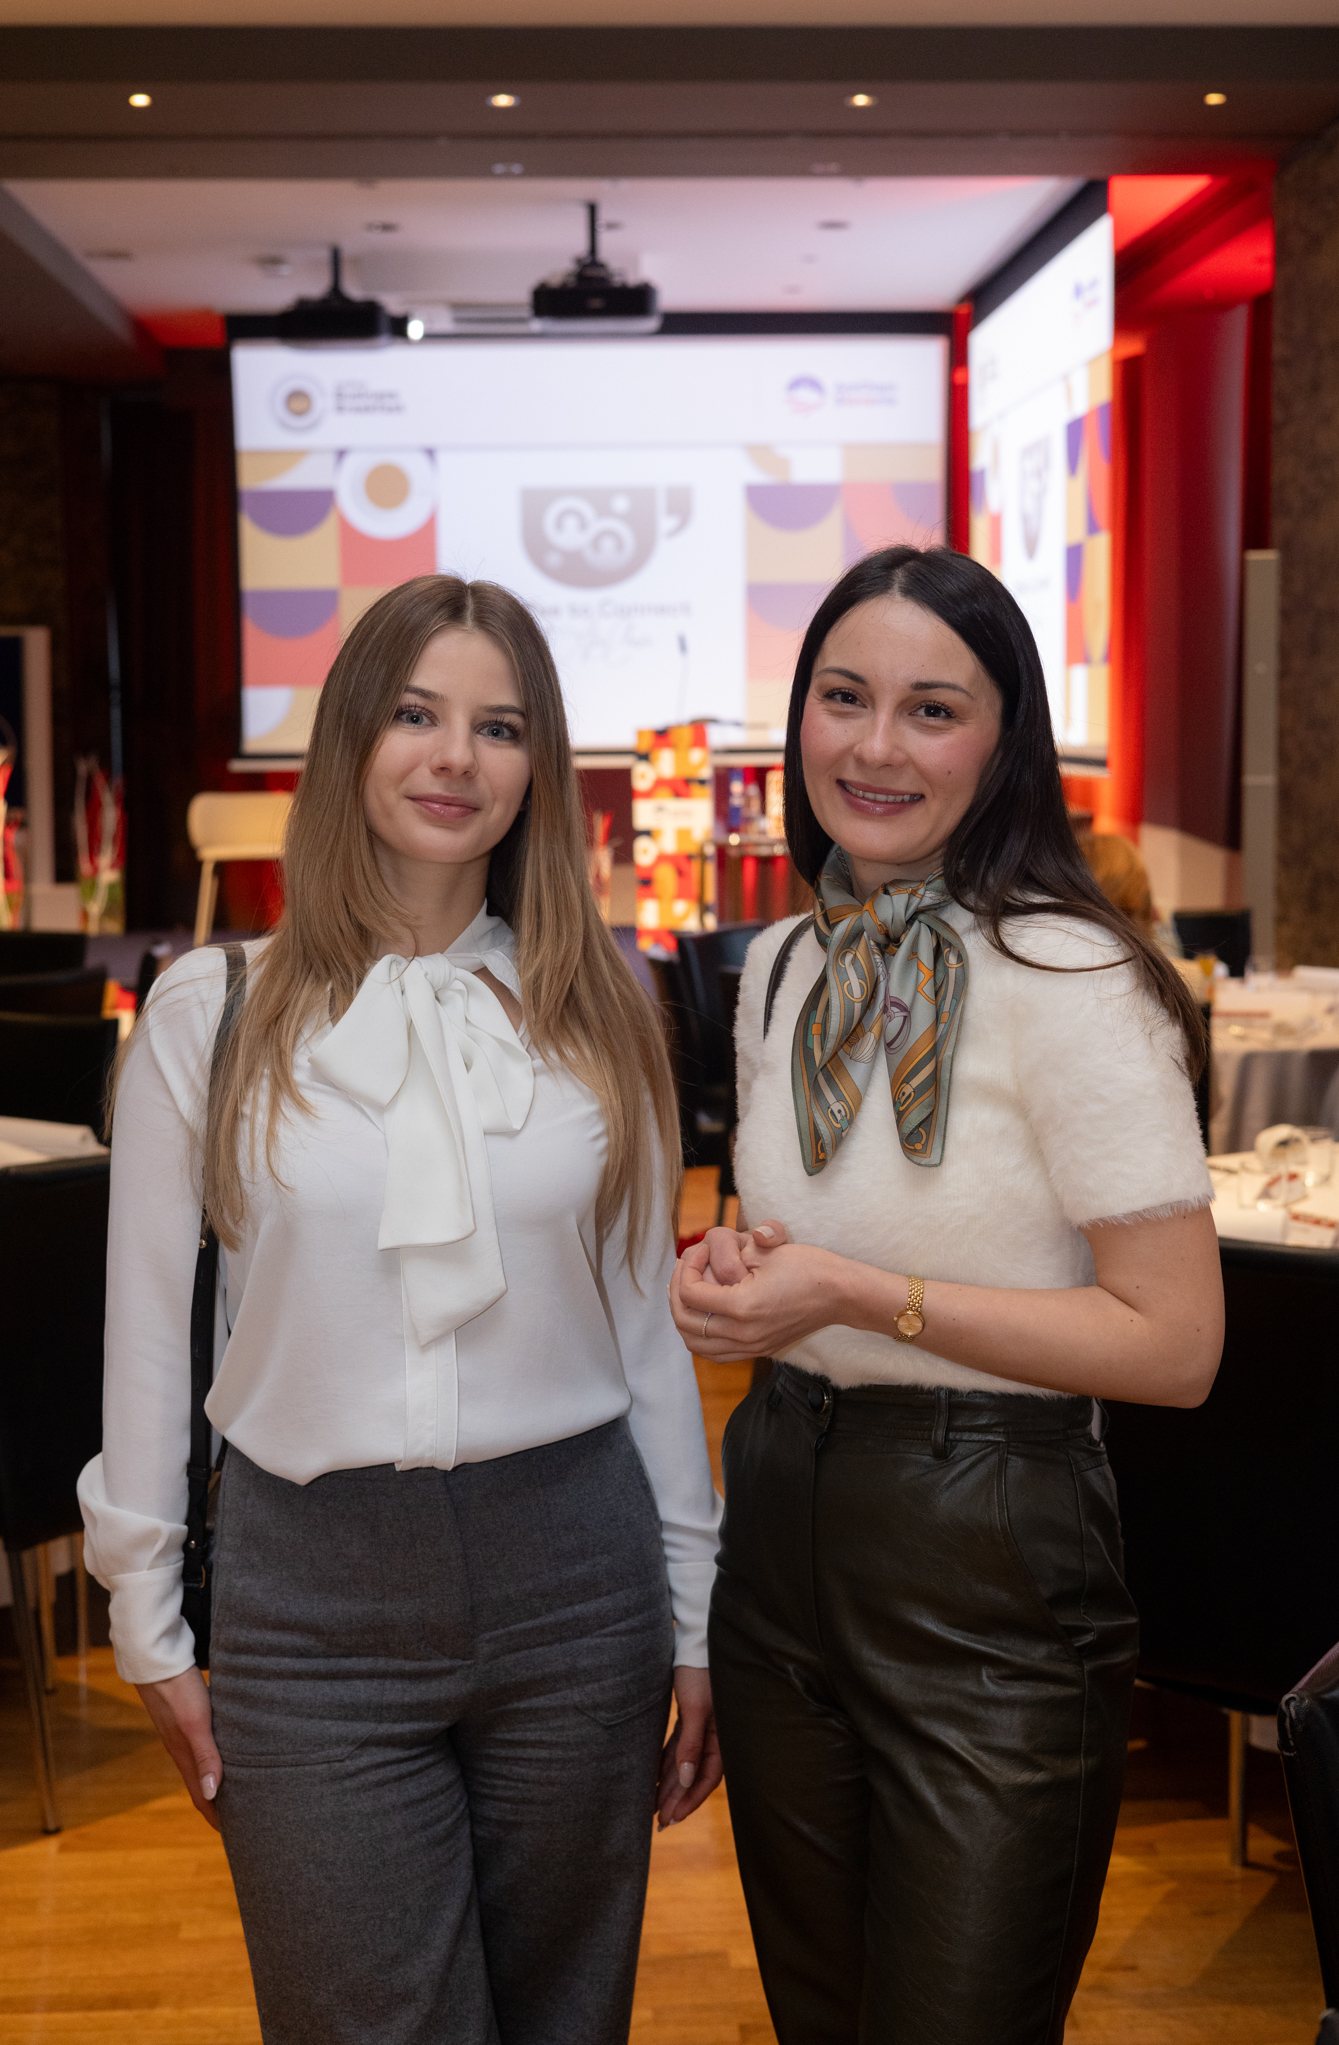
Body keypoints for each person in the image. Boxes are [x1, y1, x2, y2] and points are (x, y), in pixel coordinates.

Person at [79, 575, 724, 2045]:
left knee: (566, 2020)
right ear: (350, 739)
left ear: (538, 767)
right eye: (417, 714)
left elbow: (645, 1335)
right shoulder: (211, 1013)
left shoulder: (601, 1008)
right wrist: (148, 1623)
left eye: (500, 727)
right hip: (309, 1599)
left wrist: (698, 1616)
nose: (455, 757)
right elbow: (147, 1341)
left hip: (579, 1582)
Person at [669, 546, 1222, 2045]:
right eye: (843, 697)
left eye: (933, 709)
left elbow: (1175, 1345)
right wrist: (741, 1276)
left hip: (992, 1567)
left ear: (1006, 739)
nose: (875, 746)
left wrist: (857, 1291)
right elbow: (806, 1239)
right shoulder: (782, 968)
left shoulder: (1078, 979)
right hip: (777, 1534)